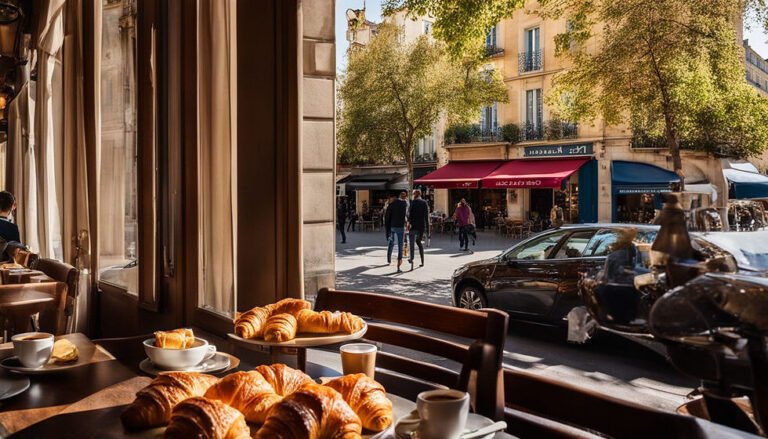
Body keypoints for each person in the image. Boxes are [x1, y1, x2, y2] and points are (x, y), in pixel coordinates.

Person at [385, 191, 408, 271]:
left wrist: (387, 228)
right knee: (400, 245)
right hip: (400, 227)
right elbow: (406, 216)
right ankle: (398, 264)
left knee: (391, 242)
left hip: (392, 226)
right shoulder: (404, 204)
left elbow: (387, 217)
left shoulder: (392, 204)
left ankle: (389, 259)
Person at [407, 189, 429, 269]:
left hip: (413, 226)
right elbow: (427, 217)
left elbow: (409, 215)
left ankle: (411, 259)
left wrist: (408, 223)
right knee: (419, 243)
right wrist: (428, 231)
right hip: (421, 227)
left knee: (411, 243)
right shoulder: (424, 203)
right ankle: (422, 261)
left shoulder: (412, 202)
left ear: (415, 195)